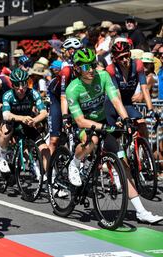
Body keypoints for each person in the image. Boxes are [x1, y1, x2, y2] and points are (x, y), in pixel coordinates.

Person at [66, 48, 163, 224]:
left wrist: (125, 119)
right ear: (77, 68)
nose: (91, 69)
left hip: (103, 122)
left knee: (124, 165)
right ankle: (75, 161)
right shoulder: (73, 88)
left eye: (93, 65)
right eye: (86, 66)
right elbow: (80, 120)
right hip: (84, 125)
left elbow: (116, 100)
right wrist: (103, 127)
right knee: (92, 141)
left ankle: (141, 212)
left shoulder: (102, 77)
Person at [0, 68, 49, 173]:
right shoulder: (8, 95)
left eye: (24, 84)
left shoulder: (33, 93)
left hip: (28, 122)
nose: (21, 88)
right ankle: (2, 157)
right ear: (12, 85)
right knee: (6, 131)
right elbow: (6, 115)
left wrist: (34, 120)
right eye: (17, 84)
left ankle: (48, 178)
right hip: (12, 121)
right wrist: (22, 118)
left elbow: (44, 112)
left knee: (45, 149)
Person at [105, 38, 155, 139]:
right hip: (113, 104)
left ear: (130, 54)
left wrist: (151, 110)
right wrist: (123, 117)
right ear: (115, 59)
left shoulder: (138, 64)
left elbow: (144, 89)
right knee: (114, 136)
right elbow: (117, 97)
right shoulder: (111, 69)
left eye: (126, 56)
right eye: (120, 58)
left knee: (141, 123)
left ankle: (145, 151)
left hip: (127, 103)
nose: (124, 60)